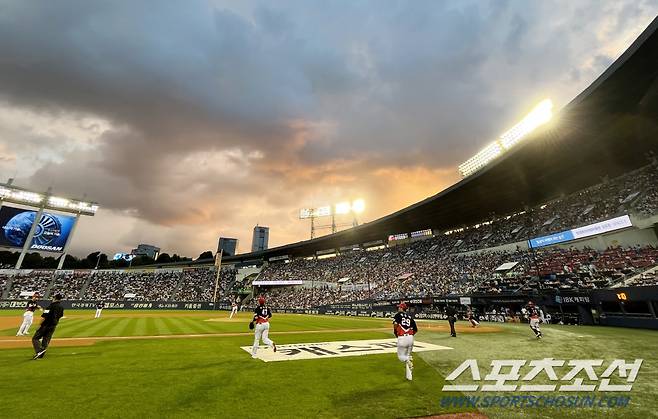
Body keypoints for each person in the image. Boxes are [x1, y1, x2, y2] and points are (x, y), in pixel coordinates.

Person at [32, 293, 65, 359]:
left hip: (45, 325)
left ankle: (39, 350)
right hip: (53, 325)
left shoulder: (50, 306)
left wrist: (39, 325)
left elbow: (44, 317)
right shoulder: (61, 307)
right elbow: (60, 316)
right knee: (46, 340)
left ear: (55, 298)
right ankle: (41, 355)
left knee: (35, 338)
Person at [393, 302, 417, 381]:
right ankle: (409, 376)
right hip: (410, 338)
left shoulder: (398, 315)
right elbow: (415, 329)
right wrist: (410, 335)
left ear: (401, 308)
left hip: (402, 338)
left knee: (401, 357)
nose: (398, 308)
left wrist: (396, 333)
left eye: (399, 307)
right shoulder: (410, 317)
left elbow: (395, 325)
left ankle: (407, 360)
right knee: (408, 355)